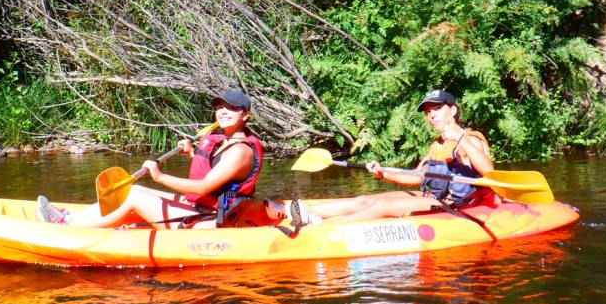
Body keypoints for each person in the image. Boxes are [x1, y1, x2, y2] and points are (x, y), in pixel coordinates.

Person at [36, 90, 277, 229]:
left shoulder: (240, 151)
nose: (223, 112)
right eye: (220, 107)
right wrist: (194, 153)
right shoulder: (225, 141)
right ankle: (72, 218)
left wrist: (160, 177)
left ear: (245, 115)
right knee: (136, 189)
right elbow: (219, 175)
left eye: (231, 108)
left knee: (134, 194)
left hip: (213, 222)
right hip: (205, 209)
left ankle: (66, 226)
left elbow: (204, 186)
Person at [286, 90, 496, 227]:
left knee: (381, 207)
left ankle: (322, 229)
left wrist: (460, 137)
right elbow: (418, 178)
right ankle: (305, 212)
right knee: (366, 200)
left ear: (453, 110)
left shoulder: (469, 140)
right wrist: (383, 173)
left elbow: (489, 173)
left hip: (455, 207)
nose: (431, 115)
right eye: (428, 112)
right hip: (433, 198)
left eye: (437, 109)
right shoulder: (437, 145)